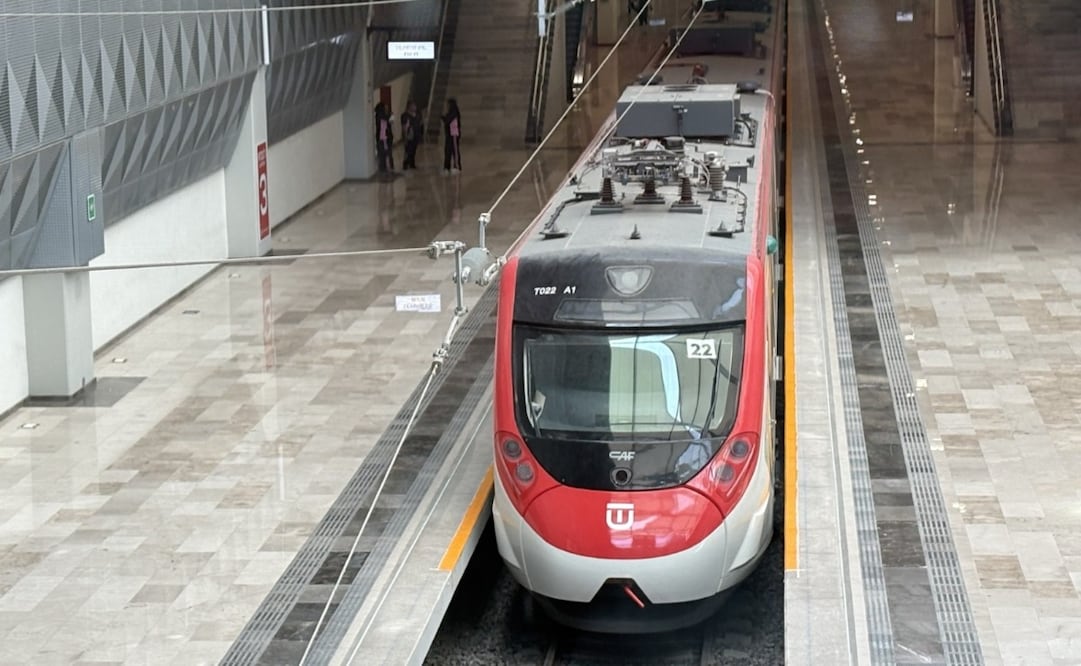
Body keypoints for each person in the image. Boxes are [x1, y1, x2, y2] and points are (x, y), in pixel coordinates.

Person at [400, 100, 423, 170]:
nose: (415, 107)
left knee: (414, 150)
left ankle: (412, 163)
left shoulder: (417, 115)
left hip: (416, 135)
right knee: (408, 150)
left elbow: (420, 123)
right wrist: (405, 136)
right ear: (409, 106)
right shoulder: (405, 115)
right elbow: (404, 126)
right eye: (413, 106)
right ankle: (405, 164)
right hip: (409, 135)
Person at [441, 98, 462, 174]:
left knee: (455, 150)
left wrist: (443, 117)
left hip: (454, 135)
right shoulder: (450, 113)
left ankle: (457, 166)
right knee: (447, 150)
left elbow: (447, 120)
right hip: (449, 134)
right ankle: (447, 166)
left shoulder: (454, 113)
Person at [375, 102, 394, 174]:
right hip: (382, 138)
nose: (387, 109)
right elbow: (387, 119)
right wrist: (390, 115)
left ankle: (387, 167)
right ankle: (384, 168)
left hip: (386, 137)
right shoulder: (380, 115)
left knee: (387, 152)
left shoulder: (383, 116)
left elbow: (390, 122)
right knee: (384, 153)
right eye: (385, 108)